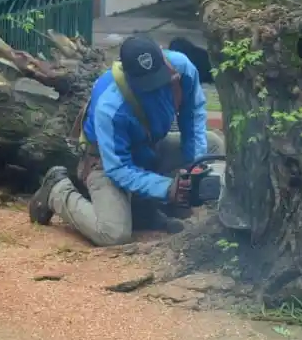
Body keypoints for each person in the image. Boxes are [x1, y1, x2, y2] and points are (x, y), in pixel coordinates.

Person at [28, 35, 226, 246]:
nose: (155, 88)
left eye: (158, 78)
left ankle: (148, 209)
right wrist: (166, 188)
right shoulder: (110, 107)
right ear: (127, 75)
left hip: (151, 147)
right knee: (113, 233)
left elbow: (192, 113)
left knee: (211, 144)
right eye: (146, 84)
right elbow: (119, 169)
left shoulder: (182, 68)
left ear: (163, 58)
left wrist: (196, 164)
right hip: (106, 163)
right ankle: (58, 191)